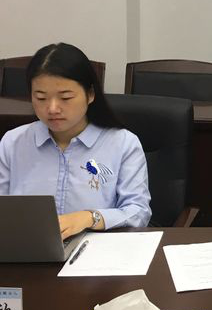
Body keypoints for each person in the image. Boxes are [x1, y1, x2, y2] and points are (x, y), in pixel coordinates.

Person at [0, 43, 151, 239]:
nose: (52, 109)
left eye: (65, 97)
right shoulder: (13, 142)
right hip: (28, 247)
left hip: (97, 249)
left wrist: (90, 218)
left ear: (90, 94)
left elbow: (138, 212)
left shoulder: (122, 143)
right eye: (41, 98)